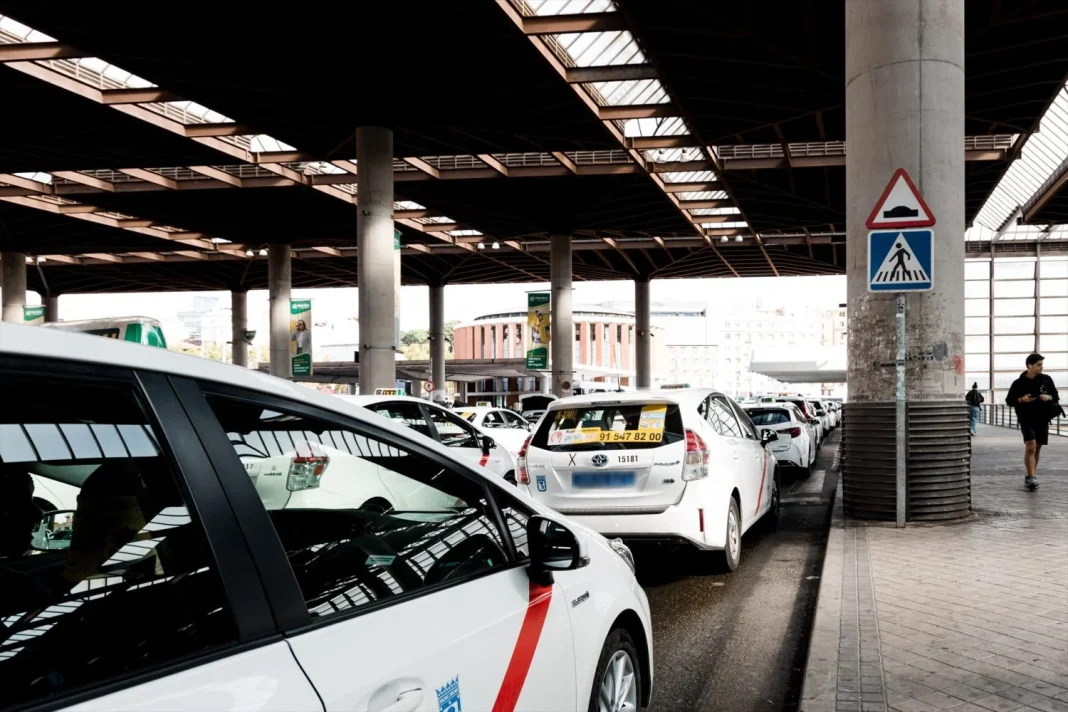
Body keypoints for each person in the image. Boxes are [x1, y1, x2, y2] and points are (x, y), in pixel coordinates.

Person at [1005, 353, 1061, 491]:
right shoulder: (1018, 383)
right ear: (1030, 365)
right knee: (1031, 446)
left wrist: (1048, 397)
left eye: (1042, 364)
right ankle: (1031, 477)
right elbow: (1009, 401)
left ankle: (1031, 476)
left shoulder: (1047, 380)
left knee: (1038, 447)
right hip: (1026, 418)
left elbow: (1055, 397)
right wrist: (1021, 399)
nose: (1042, 367)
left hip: (1042, 417)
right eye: (1039, 365)